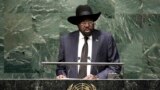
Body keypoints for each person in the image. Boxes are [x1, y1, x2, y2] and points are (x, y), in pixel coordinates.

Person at [56, 5, 121, 80]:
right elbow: (60, 67)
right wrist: (62, 76)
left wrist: (97, 77)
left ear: (94, 23)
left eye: (90, 22)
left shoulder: (106, 39)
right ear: (77, 24)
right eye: (83, 22)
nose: (87, 25)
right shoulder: (66, 40)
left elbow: (115, 66)